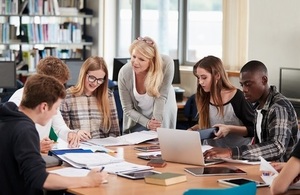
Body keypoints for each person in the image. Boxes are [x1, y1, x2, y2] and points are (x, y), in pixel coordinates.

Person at [0, 74, 108, 194]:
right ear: (44, 107)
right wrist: (87, 180)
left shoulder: (7, 116)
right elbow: (40, 179)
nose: (55, 113)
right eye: (56, 108)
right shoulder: (25, 130)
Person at [204, 60, 299, 162]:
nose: (244, 89)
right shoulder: (258, 106)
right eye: (242, 85)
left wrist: (231, 152)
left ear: (264, 80)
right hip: (265, 168)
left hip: (281, 173)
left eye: (248, 84)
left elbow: (277, 147)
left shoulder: (279, 107)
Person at [9, 56, 79, 153]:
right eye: (58, 84)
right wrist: (35, 145)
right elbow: (11, 141)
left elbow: (60, 127)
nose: (61, 88)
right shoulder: (18, 100)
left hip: (41, 154)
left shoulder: (51, 98)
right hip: (25, 155)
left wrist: (69, 134)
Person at [189, 55, 254, 148]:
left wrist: (229, 129)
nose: (200, 82)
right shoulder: (204, 96)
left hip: (235, 155)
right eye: (198, 78)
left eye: (204, 78)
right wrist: (192, 130)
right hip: (210, 153)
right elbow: (207, 124)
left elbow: (254, 129)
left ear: (217, 76)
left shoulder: (239, 97)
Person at [118, 36, 177, 133]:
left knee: (160, 143)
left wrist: (156, 124)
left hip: (161, 113)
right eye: (134, 56)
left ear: (151, 61)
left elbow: (161, 97)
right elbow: (127, 109)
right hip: (138, 119)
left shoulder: (166, 64)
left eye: (141, 59)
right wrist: (147, 123)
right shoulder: (124, 73)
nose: (135, 62)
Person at [60, 56, 120, 140]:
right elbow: (62, 131)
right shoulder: (68, 96)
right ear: (83, 74)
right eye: (92, 78)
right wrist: (76, 132)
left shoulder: (108, 95)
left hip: (104, 149)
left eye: (100, 79)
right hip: (78, 147)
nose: (95, 83)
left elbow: (115, 132)